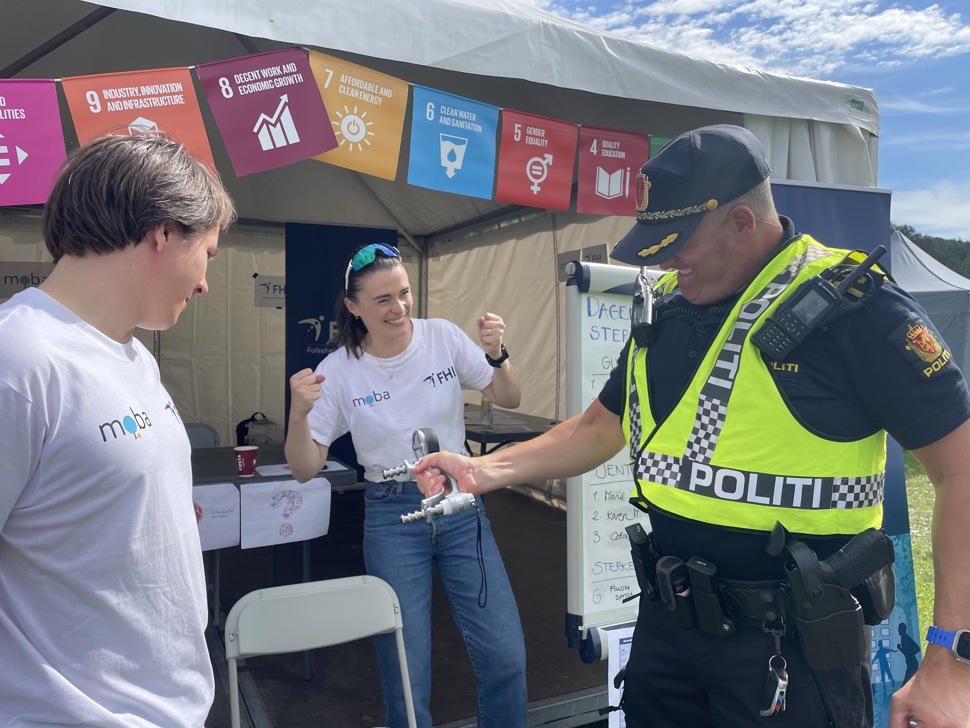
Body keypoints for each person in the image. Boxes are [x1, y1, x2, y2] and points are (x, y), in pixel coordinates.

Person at [413, 124, 970, 727]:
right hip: (669, 635)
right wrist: (480, 469)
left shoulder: (854, 309)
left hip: (793, 650)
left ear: (741, 222)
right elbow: (600, 426)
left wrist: (950, 660)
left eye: (678, 241)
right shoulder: (670, 309)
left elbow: (962, 472)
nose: (665, 261)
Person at [0, 133, 236, 726]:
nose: (206, 282)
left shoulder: (132, 354)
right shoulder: (18, 358)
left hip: (168, 707)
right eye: (207, 251)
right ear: (162, 233)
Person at [284, 242, 527, 728]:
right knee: (405, 673)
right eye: (382, 300)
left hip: (460, 507)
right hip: (393, 517)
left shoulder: (443, 338)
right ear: (353, 307)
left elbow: (509, 397)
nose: (399, 308)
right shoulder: (338, 370)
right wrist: (298, 412)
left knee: (505, 658)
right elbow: (304, 467)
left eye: (404, 293)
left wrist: (497, 355)